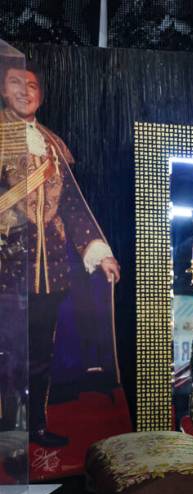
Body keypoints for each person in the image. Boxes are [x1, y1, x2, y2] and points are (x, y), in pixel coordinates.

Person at [0, 62, 120, 449]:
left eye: (32, 85)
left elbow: (72, 206)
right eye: (16, 83)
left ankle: (31, 427)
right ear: (3, 91)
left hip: (49, 269)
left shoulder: (52, 144)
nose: (25, 91)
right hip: (5, 266)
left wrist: (98, 252)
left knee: (38, 354)